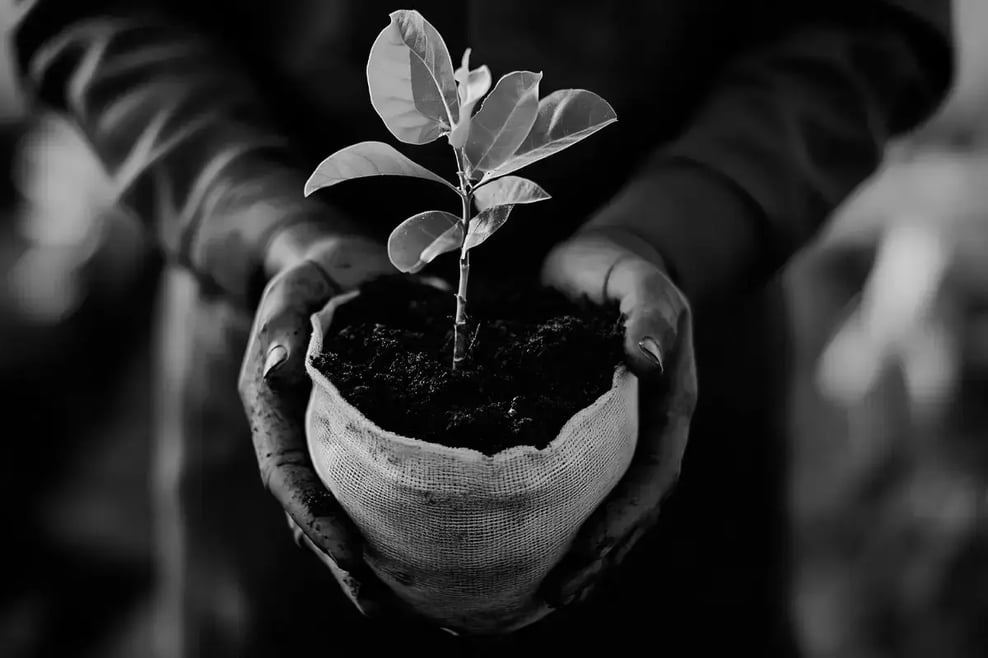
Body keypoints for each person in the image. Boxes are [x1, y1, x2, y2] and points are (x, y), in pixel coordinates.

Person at [12, 1, 952, 656]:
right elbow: (93, 11)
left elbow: (868, 19)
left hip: (662, 355)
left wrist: (683, 221)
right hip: (287, 337)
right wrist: (254, 213)